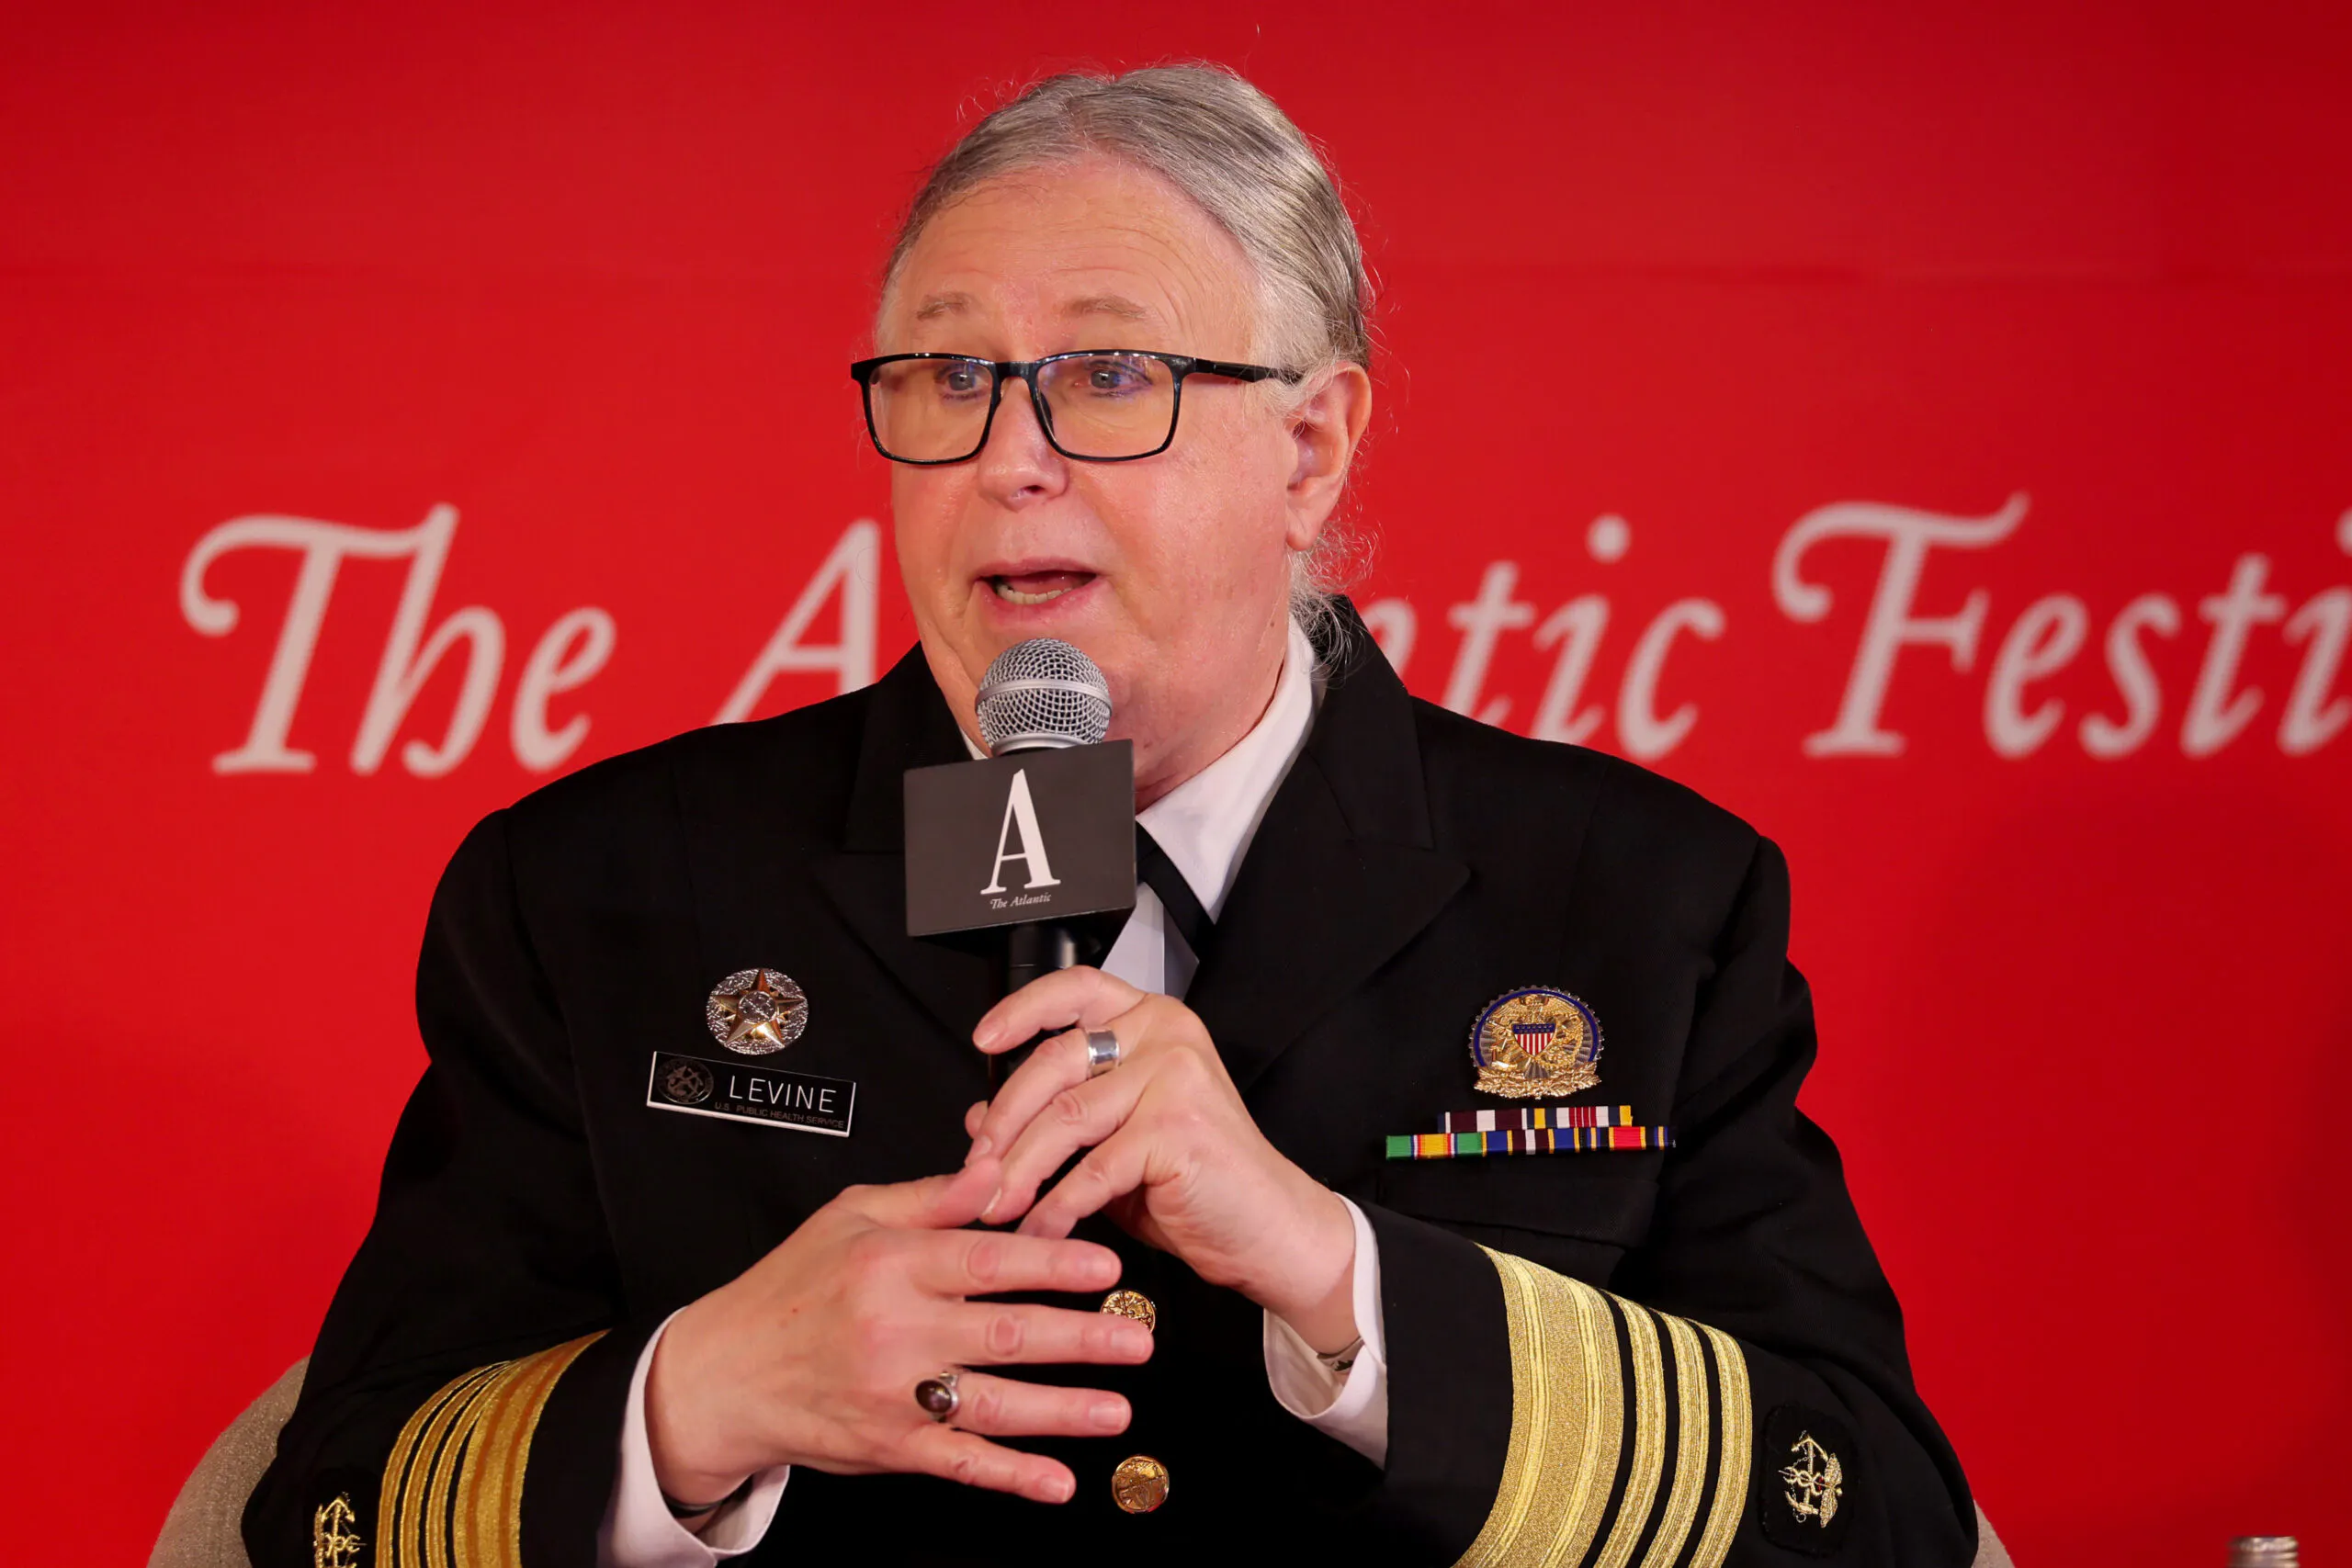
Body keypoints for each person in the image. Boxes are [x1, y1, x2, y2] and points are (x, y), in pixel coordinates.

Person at [246, 63, 1975, 1568]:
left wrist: (1340, 1276)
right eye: (947, 377)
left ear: (1310, 448)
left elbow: (1873, 1512)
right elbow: (329, 1512)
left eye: (1109, 375)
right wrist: (697, 1397)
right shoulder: (602, 894)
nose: (1010, 457)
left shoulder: (1643, 903)